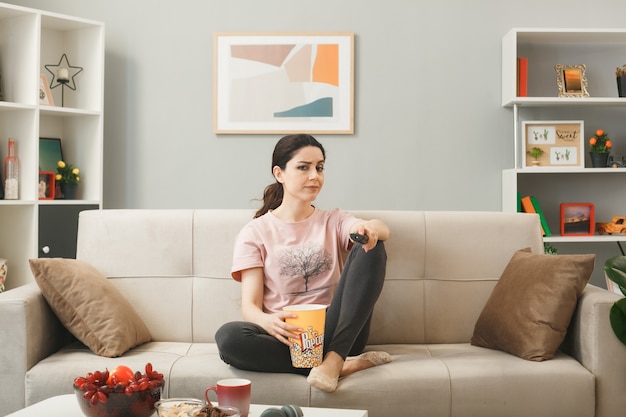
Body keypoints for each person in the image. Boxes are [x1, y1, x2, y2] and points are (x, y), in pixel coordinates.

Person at [215, 134, 391, 392]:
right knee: (228, 338)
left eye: (319, 168)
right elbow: (250, 307)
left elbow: (379, 229)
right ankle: (339, 365)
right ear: (279, 173)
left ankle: (334, 359)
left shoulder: (333, 220)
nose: (314, 176)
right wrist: (266, 322)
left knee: (372, 245)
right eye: (303, 167)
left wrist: (368, 227)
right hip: (291, 337)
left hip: (338, 331)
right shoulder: (255, 232)